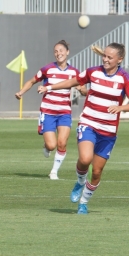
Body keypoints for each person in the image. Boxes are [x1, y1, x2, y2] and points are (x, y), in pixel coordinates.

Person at [38, 43, 129, 215]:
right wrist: (49, 87)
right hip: (88, 123)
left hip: (108, 131)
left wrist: (121, 108)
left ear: (119, 59)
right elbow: (72, 82)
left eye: (109, 57)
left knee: (97, 172)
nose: (105, 59)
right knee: (85, 159)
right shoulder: (93, 71)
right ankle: (79, 181)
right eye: (104, 56)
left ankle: (84, 202)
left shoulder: (125, 78)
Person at [15, 40, 83, 179]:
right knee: (52, 145)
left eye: (61, 51)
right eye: (56, 51)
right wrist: (21, 92)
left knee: (62, 143)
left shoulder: (74, 72)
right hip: (48, 112)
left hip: (64, 112)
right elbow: (32, 81)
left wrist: (83, 90)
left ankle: (54, 172)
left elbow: (83, 89)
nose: (59, 54)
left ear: (67, 52)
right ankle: (46, 146)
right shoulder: (47, 69)